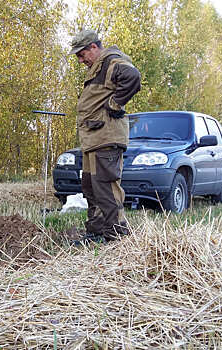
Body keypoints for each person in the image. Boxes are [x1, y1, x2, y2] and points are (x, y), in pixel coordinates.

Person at [69, 29, 141, 243]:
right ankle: (97, 232)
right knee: (91, 186)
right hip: (94, 138)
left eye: (82, 54)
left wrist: (115, 104)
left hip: (106, 137)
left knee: (106, 187)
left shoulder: (111, 61)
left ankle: (117, 236)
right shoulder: (99, 66)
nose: (81, 60)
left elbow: (133, 77)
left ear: (93, 47)